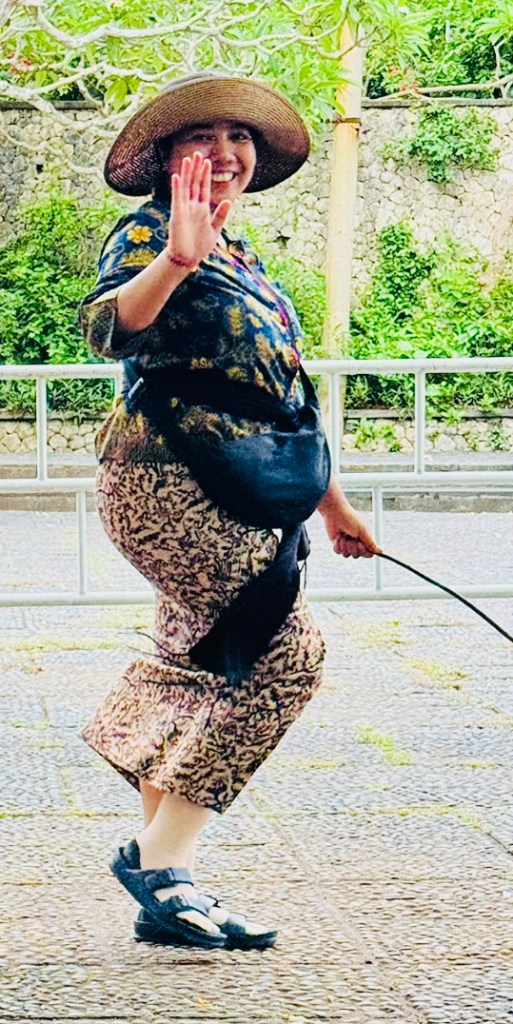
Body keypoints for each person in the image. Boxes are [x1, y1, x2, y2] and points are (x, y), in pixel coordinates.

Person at [79, 72, 379, 952]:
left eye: (238, 137)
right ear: (166, 158)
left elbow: (284, 388)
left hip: (244, 478)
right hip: (169, 478)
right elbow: (105, 331)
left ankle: (167, 891)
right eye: (200, 136)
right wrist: (175, 259)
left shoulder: (244, 255)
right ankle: (155, 860)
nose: (224, 151)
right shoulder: (148, 232)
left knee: (203, 654)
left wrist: (333, 505)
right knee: (285, 649)